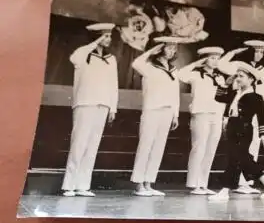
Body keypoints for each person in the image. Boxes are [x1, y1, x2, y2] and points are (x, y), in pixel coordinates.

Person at [61, 23, 119, 197]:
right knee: (79, 144)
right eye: (105, 36)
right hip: (85, 103)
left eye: (109, 36)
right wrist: (95, 43)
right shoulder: (84, 54)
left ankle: (83, 185)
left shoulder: (111, 59)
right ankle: (69, 185)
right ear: (97, 37)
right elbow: (74, 58)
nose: (108, 39)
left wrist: (112, 107)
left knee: (92, 146)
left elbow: (113, 84)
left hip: (103, 104)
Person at [208, 61, 264, 201]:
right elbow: (218, 98)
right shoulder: (235, 93)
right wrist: (226, 84)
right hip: (232, 128)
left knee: (234, 160)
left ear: (251, 79)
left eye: (242, 76)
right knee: (244, 159)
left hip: (244, 130)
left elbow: (262, 118)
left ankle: (225, 191)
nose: (238, 78)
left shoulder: (256, 97)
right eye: (237, 75)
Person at [130, 36, 188, 196]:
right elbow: (135, 63)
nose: (172, 51)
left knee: (158, 148)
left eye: (174, 48)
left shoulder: (173, 69)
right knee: (146, 146)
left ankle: (149, 183)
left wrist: (175, 114)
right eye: (169, 47)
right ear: (160, 48)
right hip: (152, 110)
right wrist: (151, 51)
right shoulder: (149, 66)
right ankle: (139, 184)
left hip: (167, 112)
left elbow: (175, 93)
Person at [177, 46, 238, 195]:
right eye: (212, 58)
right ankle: (194, 184)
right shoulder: (196, 74)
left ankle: (203, 184)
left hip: (216, 114)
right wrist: (196, 64)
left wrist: (227, 85)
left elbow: (222, 97)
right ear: (204, 59)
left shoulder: (220, 77)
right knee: (199, 148)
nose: (216, 61)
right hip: (201, 113)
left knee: (210, 149)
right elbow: (180, 74)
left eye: (217, 58)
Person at [219, 40, 264, 195]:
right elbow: (222, 67)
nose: (259, 55)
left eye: (261, 52)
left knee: (239, 157)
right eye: (255, 51)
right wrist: (233, 53)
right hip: (234, 123)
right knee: (240, 157)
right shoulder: (237, 66)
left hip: (247, 120)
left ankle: (230, 189)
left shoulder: (261, 72)